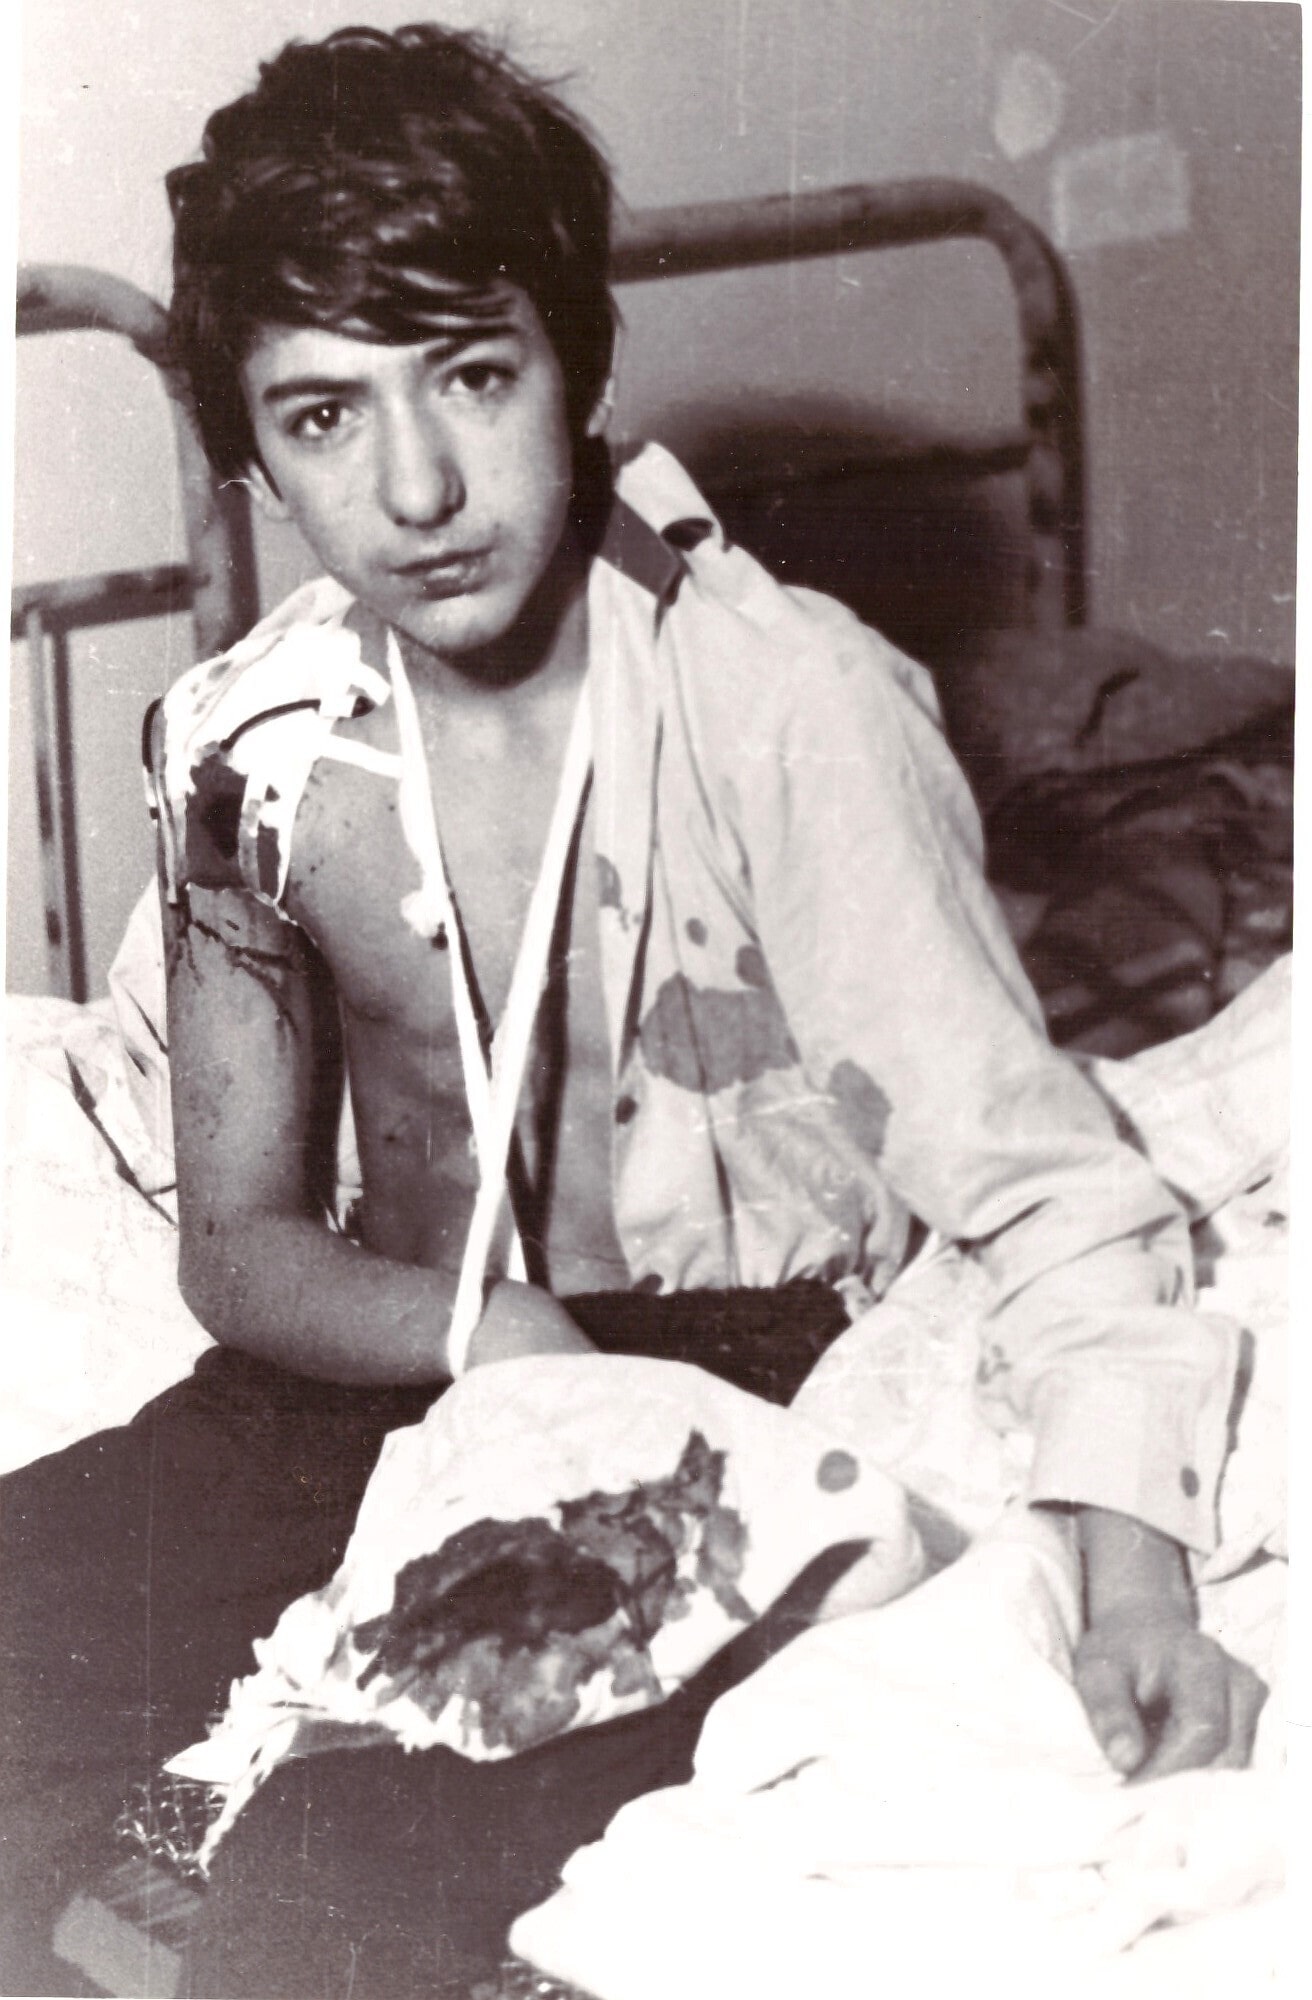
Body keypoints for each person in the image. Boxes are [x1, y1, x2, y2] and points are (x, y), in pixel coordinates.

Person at [0, 22, 1265, 1996]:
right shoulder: (244, 749)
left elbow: (1052, 1194)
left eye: (471, 376)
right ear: (250, 456)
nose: (417, 487)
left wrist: (1136, 1578)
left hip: (722, 1382)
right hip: (393, 1352)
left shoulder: (788, 708)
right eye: (323, 416)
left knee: (331, 1887)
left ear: (581, 363)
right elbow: (237, 1246)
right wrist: (480, 1333)